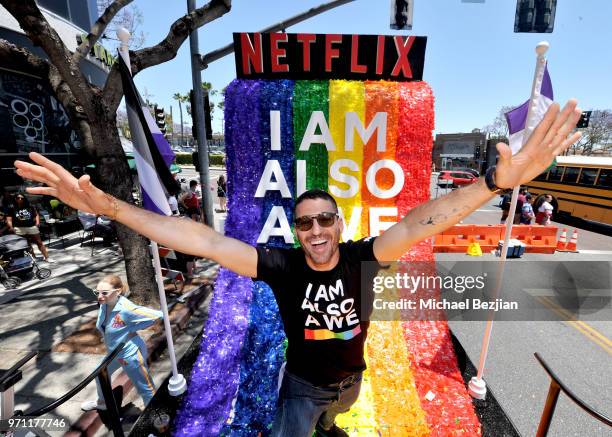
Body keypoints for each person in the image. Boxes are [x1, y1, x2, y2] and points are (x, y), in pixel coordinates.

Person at [14, 100, 582, 436]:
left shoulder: (362, 258)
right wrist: (107, 207)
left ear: (338, 224)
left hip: (350, 385)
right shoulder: (281, 267)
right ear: (296, 231)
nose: (315, 232)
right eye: (304, 223)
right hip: (301, 390)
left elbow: (422, 222)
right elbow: (201, 238)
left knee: (335, 418)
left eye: (323, 221)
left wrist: (494, 183)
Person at [80, 275, 163, 411]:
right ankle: (103, 403)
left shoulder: (126, 309)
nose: (99, 296)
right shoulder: (104, 305)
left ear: (117, 291)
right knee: (100, 373)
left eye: (104, 293)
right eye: (97, 292)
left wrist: (135, 327)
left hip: (130, 354)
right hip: (114, 352)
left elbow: (158, 315)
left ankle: (155, 416)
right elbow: (106, 326)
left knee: (145, 388)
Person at [6, 193, 50, 262]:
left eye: (22, 198)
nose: (20, 199)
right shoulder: (11, 208)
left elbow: (36, 214)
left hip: (31, 226)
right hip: (19, 228)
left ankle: (47, 257)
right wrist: (11, 227)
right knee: (26, 244)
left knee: (39, 242)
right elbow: (9, 219)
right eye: (18, 198)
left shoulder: (30, 206)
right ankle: (33, 257)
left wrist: (37, 223)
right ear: (15, 199)